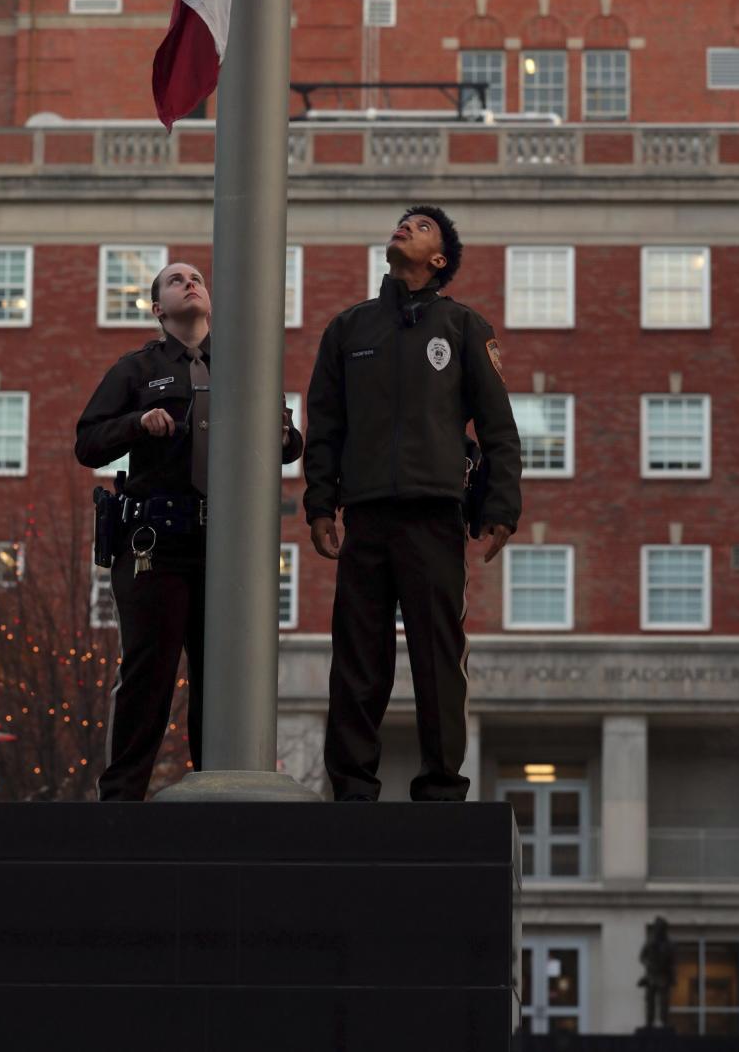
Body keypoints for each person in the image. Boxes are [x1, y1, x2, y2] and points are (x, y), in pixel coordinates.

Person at [304, 205, 522, 802]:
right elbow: (324, 426)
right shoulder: (348, 330)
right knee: (355, 659)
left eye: (421, 226)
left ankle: (442, 787)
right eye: (403, 220)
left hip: (434, 516)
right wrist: (320, 504)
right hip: (367, 516)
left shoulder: (464, 327)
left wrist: (502, 509)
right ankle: (351, 787)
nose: (405, 226)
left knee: (438, 657)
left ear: (439, 259)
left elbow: (499, 428)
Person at [75, 260, 302, 801]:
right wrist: (137, 422)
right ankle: (122, 799)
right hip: (157, 544)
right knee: (149, 675)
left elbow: (289, 446)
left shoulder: (245, 366)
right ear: (158, 309)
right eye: (175, 280)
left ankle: (217, 792)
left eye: (197, 277)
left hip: (228, 548)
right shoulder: (137, 369)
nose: (190, 282)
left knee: (221, 680)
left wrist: (277, 427)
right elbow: (88, 443)